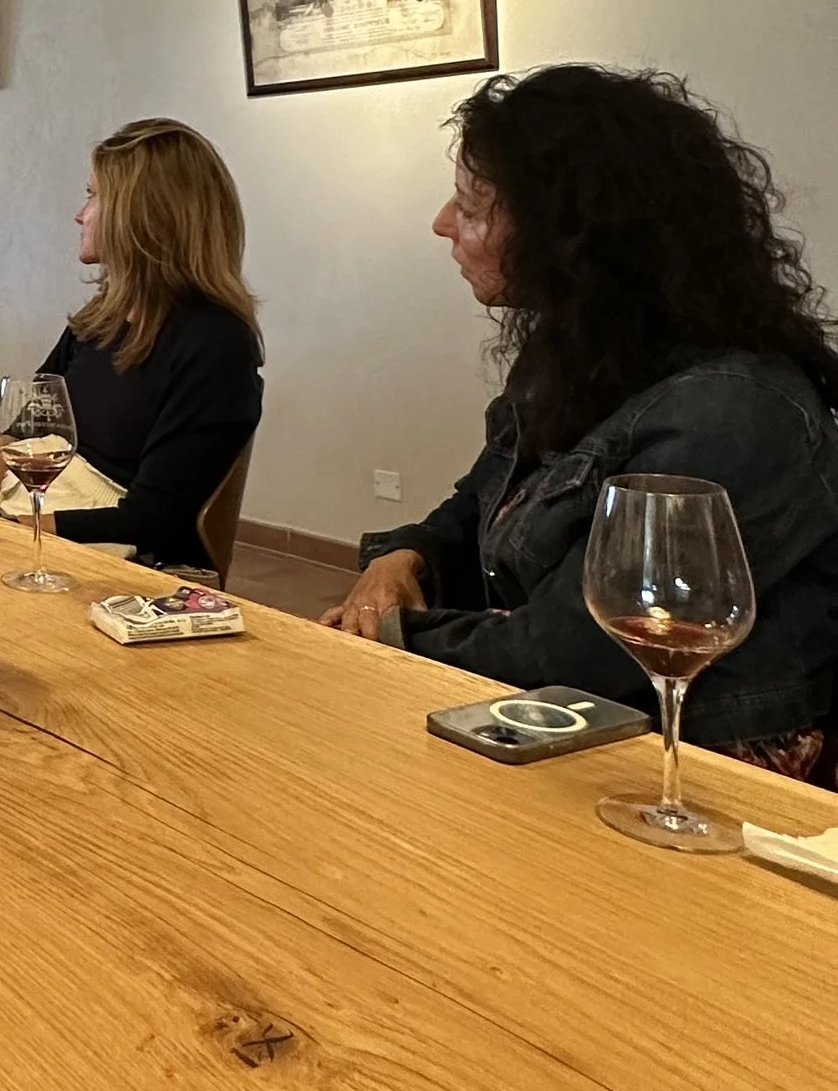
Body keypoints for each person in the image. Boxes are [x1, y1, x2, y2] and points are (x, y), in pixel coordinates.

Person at [323, 64, 838, 764]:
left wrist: (382, 639)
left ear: (576, 237)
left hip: (698, 763)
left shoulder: (735, 412)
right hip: (570, 726)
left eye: (474, 208)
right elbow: (478, 505)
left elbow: (579, 652)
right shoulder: (578, 353)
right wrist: (401, 557)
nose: (442, 224)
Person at [0, 120, 263, 568]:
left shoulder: (216, 346)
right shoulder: (101, 317)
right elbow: (20, 434)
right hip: (39, 518)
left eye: (93, 195)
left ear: (142, 216)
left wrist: (13, 534)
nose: (80, 214)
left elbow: (153, 519)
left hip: (122, 560)